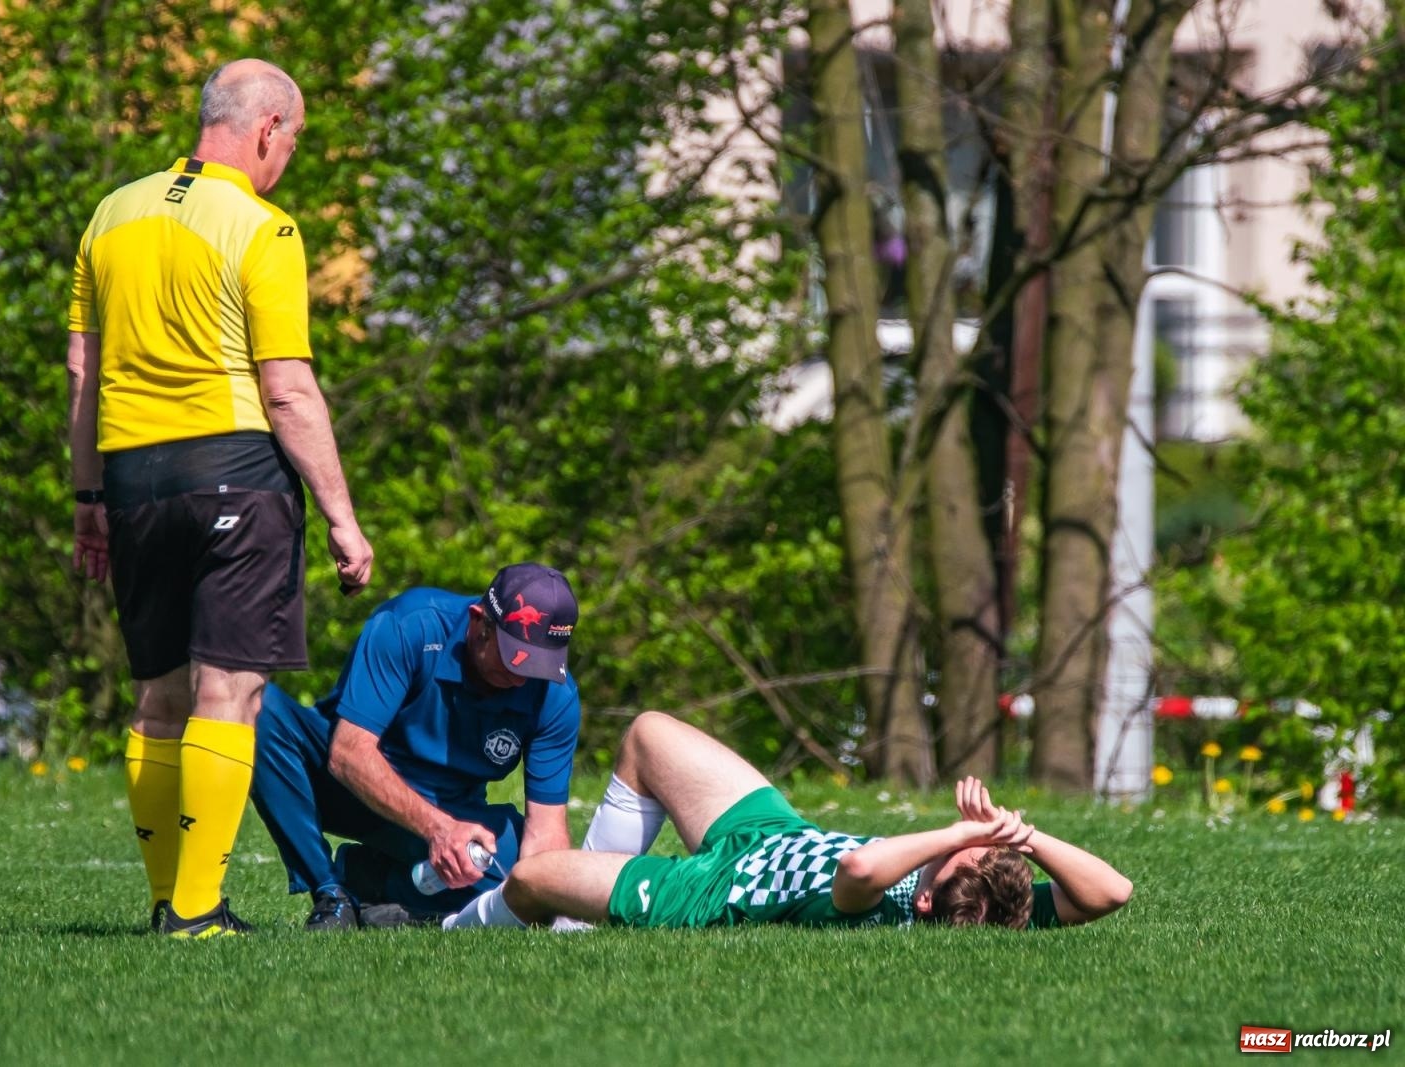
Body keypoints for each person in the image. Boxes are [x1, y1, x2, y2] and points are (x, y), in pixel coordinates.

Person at [66, 58, 374, 938]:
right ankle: (197, 912)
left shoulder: (110, 213)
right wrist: (344, 518)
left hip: (131, 477)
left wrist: (89, 494)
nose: (290, 158)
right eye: (296, 140)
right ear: (268, 128)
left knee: (157, 695)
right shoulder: (264, 228)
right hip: (235, 468)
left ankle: (169, 901)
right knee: (229, 691)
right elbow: (287, 390)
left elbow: (82, 372)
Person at [444, 712, 1133, 931]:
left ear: (926, 895)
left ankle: (454, 928)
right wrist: (1024, 838)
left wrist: (959, 832)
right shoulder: (1002, 910)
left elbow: (859, 866)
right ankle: (578, 922)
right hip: (778, 831)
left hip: (717, 887)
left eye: (967, 858)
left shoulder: (891, 904)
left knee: (531, 880)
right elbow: (1113, 891)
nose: (974, 850)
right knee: (649, 732)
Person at [250, 563, 581, 929]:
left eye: (538, 665)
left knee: (514, 868)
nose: (522, 677)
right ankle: (330, 893)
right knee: (254, 709)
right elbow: (348, 753)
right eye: (515, 657)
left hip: (451, 810)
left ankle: (373, 883)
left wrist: (549, 904)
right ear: (478, 623)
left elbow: (547, 830)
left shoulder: (557, 696)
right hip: (344, 785)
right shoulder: (409, 625)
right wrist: (438, 830)